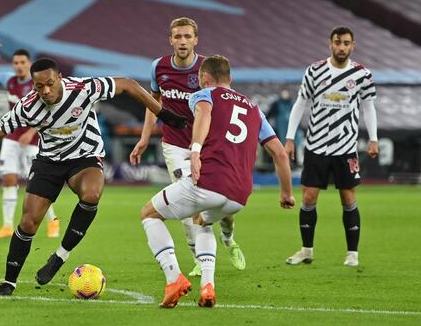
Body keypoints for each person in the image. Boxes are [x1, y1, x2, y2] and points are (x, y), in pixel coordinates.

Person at [0, 58, 188, 296]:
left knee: (92, 194)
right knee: (29, 222)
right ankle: (8, 282)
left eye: (50, 84)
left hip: (85, 157)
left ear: (59, 77)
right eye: (39, 86)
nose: (46, 90)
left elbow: (127, 84)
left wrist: (164, 115)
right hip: (49, 162)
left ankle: (60, 256)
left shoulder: (83, 89)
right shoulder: (27, 106)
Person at [139, 55, 294, 308]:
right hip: (240, 195)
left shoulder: (204, 95)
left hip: (209, 182)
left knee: (149, 214)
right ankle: (208, 287)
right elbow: (279, 153)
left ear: (204, 79)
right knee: (202, 222)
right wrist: (286, 193)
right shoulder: (254, 109)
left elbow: (203, 113)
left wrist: (196, 149)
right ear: (230, 79)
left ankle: (173, 278)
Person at [129, 17, 245, 277]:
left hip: (207, 146)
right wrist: (144, 138)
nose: (182, 41)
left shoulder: (207, 69)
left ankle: (228, 237)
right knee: (186, 204)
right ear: (170, 40)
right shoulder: (158, 67)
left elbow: (225, 105)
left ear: (195, 39)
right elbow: (153, 103)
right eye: (177, 37)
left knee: (221, 207)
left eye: (187, 36)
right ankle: (198, 259)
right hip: (175, 146)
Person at [284, 26, 378, 268]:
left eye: (346, 43)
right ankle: (306, 250)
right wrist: (290, 138)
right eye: (338, 42)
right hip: (316, 145)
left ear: (352, 46)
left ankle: (352, 254)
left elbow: (368, 107)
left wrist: (374, 138)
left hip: (346, 147)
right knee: (308, 196)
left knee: (348, 198)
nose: (342, 47)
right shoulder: (314, 71)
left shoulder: (361, 74)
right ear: (330, 44)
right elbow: (300, 103)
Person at [0, 36, 58, 238]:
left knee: (38, 183)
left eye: (23, 62)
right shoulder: (9, 80)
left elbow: (48, 111)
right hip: (12, 137)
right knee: (9, 178)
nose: (19, 66)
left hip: (33, 140)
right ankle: (6, 225)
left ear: (29, 64)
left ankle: (53, 221)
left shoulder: (39, 84)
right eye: (15, 63)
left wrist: (32, 131)